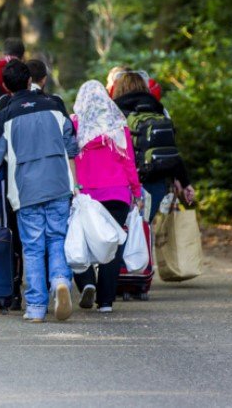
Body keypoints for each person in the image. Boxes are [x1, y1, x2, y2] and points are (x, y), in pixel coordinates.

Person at [0, 60, 78, 323]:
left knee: (32, 248)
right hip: (59, 185)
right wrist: (75, 184)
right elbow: (71, 146)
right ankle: (60, 280)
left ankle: (35, 307)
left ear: (5, 87)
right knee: (57, 239)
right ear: (29, 81)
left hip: (26, 190)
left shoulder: (6, 116)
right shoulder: (55, 107)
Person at [71, 80, 143, 313]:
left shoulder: (75, 124)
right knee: (113, 245)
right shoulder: (118, 125)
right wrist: (137, 192)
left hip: (86, 195)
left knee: (81, 240)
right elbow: (129, 162)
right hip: (117, 193)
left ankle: (87, 282)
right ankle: (105, 301)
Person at [112, 70, 194, 221]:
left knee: (125, 229)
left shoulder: (115, 111)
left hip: (125, 182)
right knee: (144, 226)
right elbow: (170, 148)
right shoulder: (159, 110)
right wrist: (184, 181)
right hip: (155, 180)